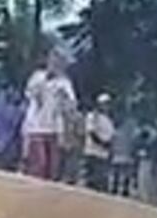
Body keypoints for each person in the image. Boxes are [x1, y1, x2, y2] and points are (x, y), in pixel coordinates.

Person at [22, 51, 77, 181]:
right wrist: (46, 80)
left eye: (60, 61)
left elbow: (72, 104)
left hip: (54, 128)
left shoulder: (65, 83)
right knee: (39, 164)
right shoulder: (37, 76)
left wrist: (65, 103)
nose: (56, 64)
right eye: (53, 60)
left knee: (53, 167)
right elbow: (30, 93)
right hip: (36, 127)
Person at [83, 93, 116, 192]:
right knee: (93, 180)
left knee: (102, 182)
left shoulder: (109, 120)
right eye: (104, 104)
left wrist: (110, 148)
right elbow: (91, 132)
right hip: (93, 152)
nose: (106, 106)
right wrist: (102, 143)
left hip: (104, 154)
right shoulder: (93, 116)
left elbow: (111, 137)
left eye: (108, 104)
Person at [111, 115, 138, 197]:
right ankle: (122, 190)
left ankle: (117, 189)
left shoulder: (116, 132)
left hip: (121, 156)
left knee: (120, 173)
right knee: (123, 173)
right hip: (123, 156)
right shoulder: (125, 133)